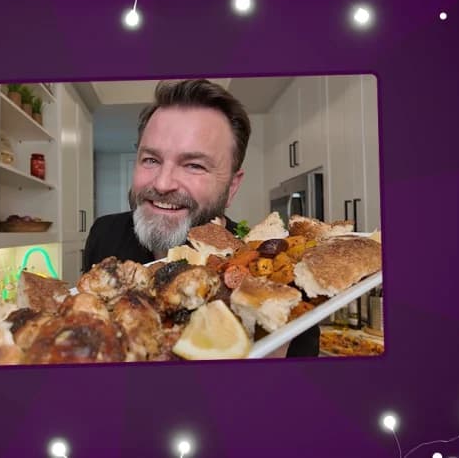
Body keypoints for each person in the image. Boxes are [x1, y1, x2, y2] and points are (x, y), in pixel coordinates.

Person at [82, 79, 319, 358]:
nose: (162, 183)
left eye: (194, 165)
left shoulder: (280, 291)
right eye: (151, 160)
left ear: (232, 186)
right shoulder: (104, 233)